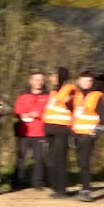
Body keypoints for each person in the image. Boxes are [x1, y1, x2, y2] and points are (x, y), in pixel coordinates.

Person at [70, 71, 104, 202]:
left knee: (85, 162)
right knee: (80, 162)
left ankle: (86, 191)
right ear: (79, 81)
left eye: (88, 81)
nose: (86, 83)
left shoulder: (98, 96)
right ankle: (83, 188)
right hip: (76, 133)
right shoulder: (76, 95)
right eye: (83, 80)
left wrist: (94, 134)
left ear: (92, 82)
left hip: (88, 134)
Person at [12, 71, 50, 190]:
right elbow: (17, 111)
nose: (38, 82)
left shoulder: (48, 97)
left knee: (39, 159)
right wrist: (23, 114)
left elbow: (50, 113)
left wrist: (38, 114)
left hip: (40, 132)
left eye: (40, 80)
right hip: (24, 133)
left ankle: (38, 183)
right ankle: (18, 182)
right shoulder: (22, 95)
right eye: (36, 79)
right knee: (21, 158)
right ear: (30, 81)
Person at [42, 66, 76, 199]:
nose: (51, 78)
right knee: (53, 159)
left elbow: (71, 105)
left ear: (61, 76)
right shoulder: (54, 92)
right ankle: (55, 187)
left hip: (61, 129)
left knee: (61, 159)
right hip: (51, 129)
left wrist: (69, 102)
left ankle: (61, 189)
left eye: (54, 76)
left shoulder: (69, 89)